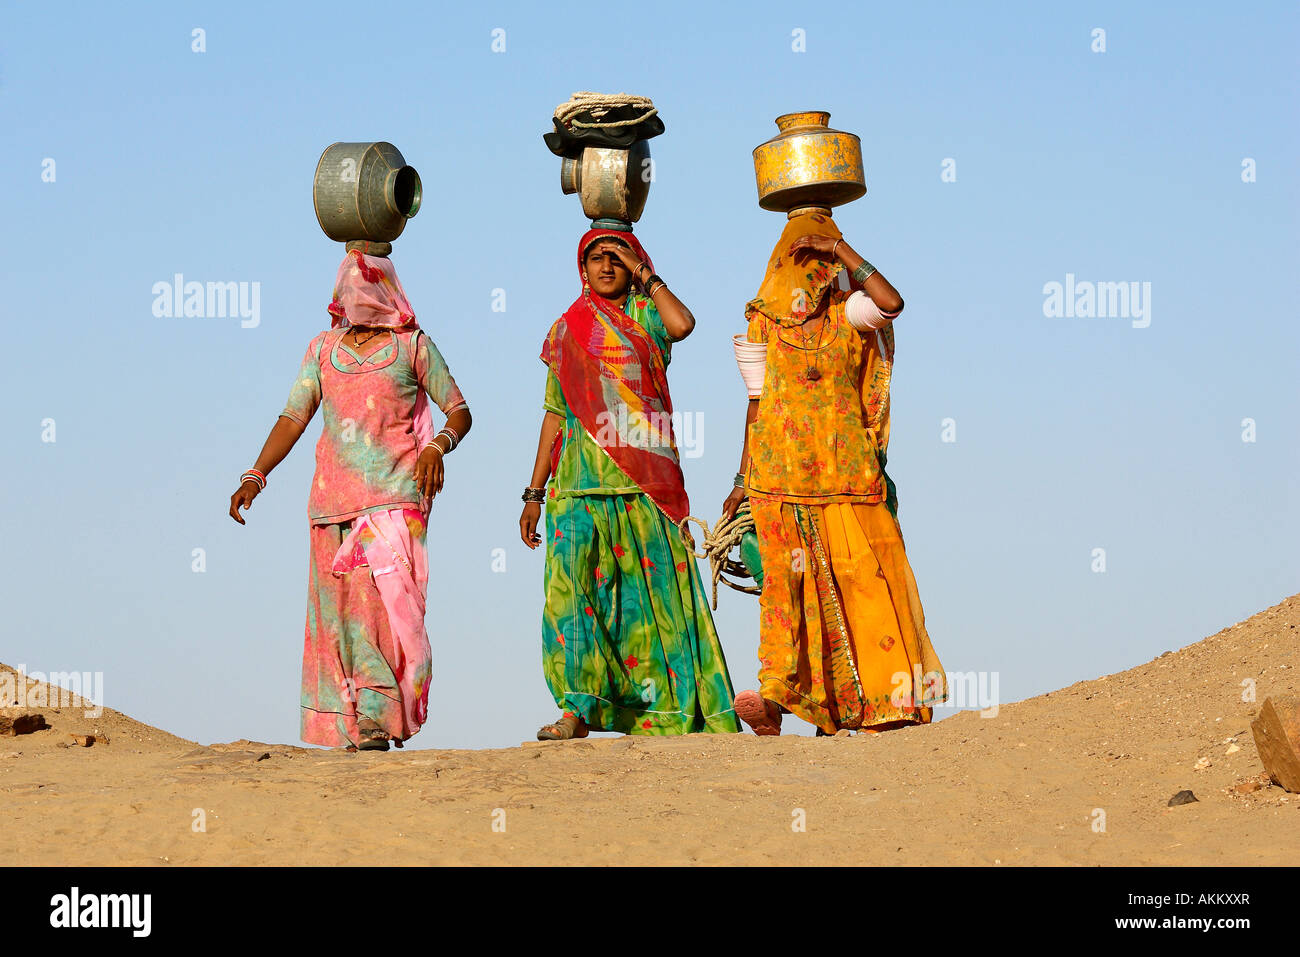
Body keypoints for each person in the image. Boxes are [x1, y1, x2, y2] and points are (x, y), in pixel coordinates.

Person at [229, 248, 471, 751]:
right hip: (330, 503)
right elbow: (293, 416)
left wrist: (437, 446)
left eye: (369, 283)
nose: (359, 294)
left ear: (389, 287)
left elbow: (459, 410)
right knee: (337, 618)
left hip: (393, 499)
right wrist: (256, 475)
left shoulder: (414, 347)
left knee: (373, 608)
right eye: (350, 283)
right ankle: (352, 725)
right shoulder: (322, 350)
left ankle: (378, 720)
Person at [722, 209, 947, 736]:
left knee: (864, 583)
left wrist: (843, 251)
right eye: (799, 262)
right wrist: (739, 481)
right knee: (787, 594)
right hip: (778, 480)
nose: (809, 276)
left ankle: (886, 703)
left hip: (846, 473)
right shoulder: (761, 326)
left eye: (816, 263)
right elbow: (756, 406)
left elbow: (893, 304)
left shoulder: (850, 314)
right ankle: (776, 698)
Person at [520, 228, 740, 740]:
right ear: (582, 268)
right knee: (570, 598)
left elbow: (683, 324)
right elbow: (554, 413)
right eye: (595, 257)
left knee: (657, 598)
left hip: (645, 485)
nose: (605, 264)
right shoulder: (567, 329)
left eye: (616, 257)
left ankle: (672, 713)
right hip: (576, 483)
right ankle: (576, 710)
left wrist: (646, 273)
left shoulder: (646, 318)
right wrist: (533, 492)